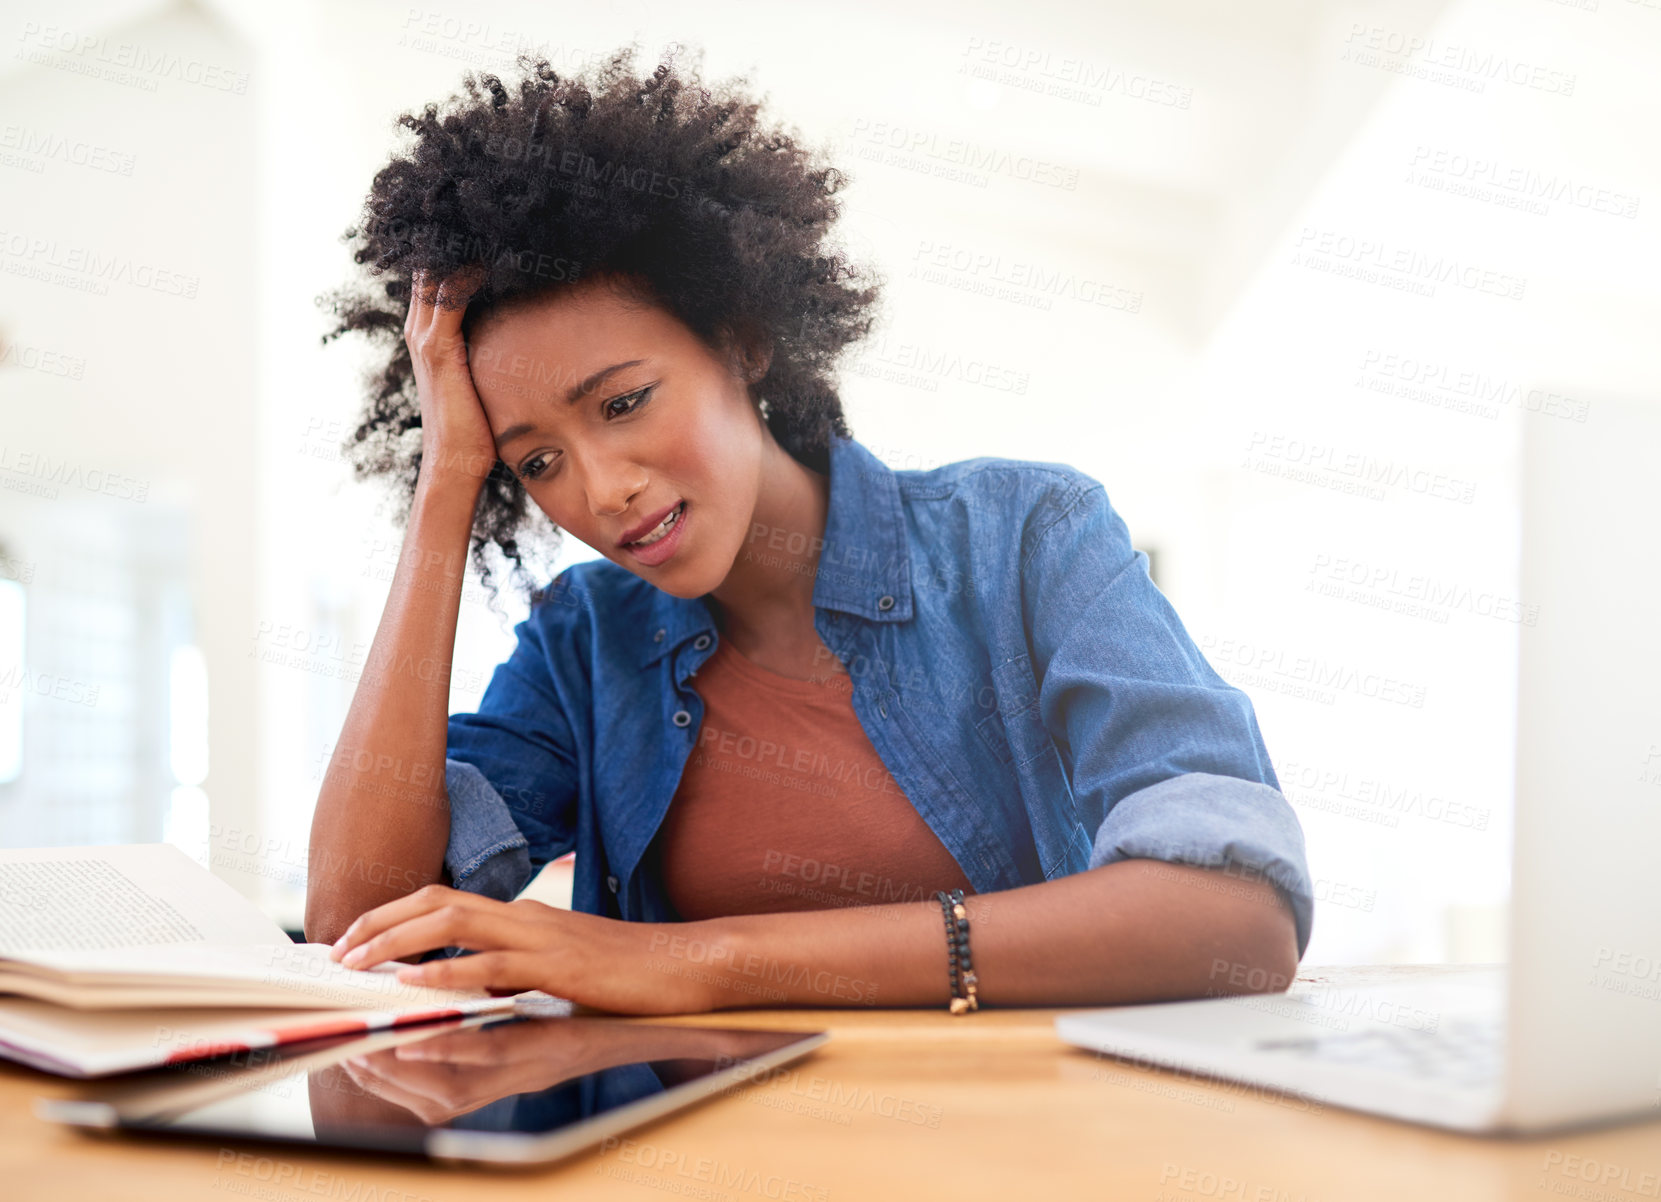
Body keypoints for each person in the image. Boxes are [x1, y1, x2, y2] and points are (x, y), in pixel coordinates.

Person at [307, 45, 1313, 1015]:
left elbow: (1234, 918)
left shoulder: (1023, 540)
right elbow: (356, 925)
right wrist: (447, 480)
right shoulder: (585, 643)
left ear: (740, 339)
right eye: (534, 460)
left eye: (623, 403)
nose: (601, 489)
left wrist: (700, 960)